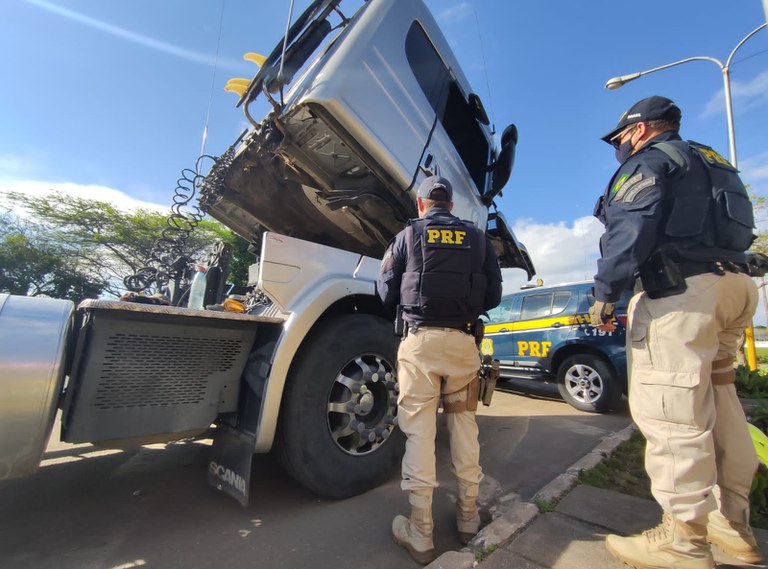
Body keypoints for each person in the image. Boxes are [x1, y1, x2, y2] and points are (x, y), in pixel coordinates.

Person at [590, 95, 761, 569]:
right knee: (721, 399)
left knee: (673, 416)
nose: (619, 150)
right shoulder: (709, 158)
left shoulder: (649, 163)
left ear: (640, 130)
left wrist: (607, 291)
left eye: (620, 140)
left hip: (684, 295)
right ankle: (735, 523)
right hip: (735, 285)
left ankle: (683, 541)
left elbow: (631, 226)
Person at [376, 175, 502, 565]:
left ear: (421, 204)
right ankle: (468, 518)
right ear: (451, 205)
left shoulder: (406, 236)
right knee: (464, 426)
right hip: (464, 346)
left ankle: (421, 532)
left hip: (420, 345)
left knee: (420, 433)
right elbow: (494, 296)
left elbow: (385, 292)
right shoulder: (478, 238)